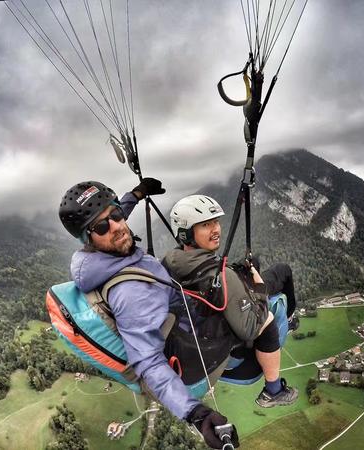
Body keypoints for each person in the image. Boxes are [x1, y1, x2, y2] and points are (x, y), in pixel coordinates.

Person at [58, 179, 238, 449]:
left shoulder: (98, 255)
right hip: (194, 345)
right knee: (251, 294)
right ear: (89, 238)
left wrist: (136, 195)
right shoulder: (132, 292)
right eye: (103, 226)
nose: (118, 226)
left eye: (117, 214)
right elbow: (149, 363)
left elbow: (111, 218)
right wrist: (196, 415)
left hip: (176, 309)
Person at [163, 194, 299, 407]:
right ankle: (273, 390)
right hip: (227, 346)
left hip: (204, 318)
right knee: (281, 278)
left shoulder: (170, 261)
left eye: (216, 222)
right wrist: (259, 288)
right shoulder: (224, 276)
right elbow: (250, 329)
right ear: (187, 233)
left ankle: (257, 283)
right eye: (206, 225)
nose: (216, 229)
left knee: (254, 262)